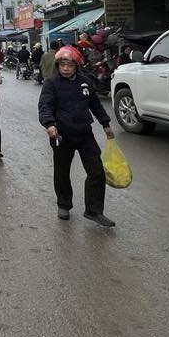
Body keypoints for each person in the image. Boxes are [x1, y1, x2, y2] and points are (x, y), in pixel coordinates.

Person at [38, 45, 116, 228]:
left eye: (69, 65)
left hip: (84, 133)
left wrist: (105, 124)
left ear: (76, 66)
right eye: (62, 64)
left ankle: (94, 211)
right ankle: (63, 204)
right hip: (61, 134)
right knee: (62, 171)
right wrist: (49, 124)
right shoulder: (51, 83)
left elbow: (95, 104)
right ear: (57, 65)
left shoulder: (85, 81)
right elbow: (45, 106)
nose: (65, 68)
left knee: (97, 171)